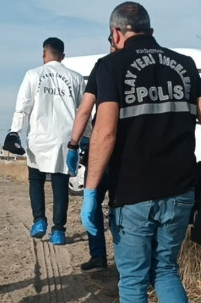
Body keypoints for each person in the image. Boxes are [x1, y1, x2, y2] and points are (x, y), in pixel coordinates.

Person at [81, 2, 201, 303]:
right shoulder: (184, 64)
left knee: (131, 280)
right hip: (181, 191)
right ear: (148, 28)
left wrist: (91, 191)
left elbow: (106, 133)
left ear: (116, 33)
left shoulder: (110, 67)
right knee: (165, 269)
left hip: (133, 193)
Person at [4, 38, 83, 246]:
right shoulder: (75, 78)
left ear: (43, 54)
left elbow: (23, 107)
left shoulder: (33, 75)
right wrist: (87, 138)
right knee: (60, 186)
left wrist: (14, 133)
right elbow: (83, 112)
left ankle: (39, 220)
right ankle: (58, 231)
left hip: (39, 138)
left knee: (36, 181)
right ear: (63, 56)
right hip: (65, 141)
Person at [67, 44, 117, 273]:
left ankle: (98, 257)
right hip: (127, 152)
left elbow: (85, 110)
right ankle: (126, 259)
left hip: (101, 148)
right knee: (120, 206)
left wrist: (74, 143)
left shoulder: (105, 66)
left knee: (94, 202)